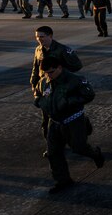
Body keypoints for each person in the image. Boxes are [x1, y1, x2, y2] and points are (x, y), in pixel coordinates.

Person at [33, 56, 104, 193]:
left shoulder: (74, 80)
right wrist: (39, 101)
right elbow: (37, 92)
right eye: (46, 73)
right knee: (53, 153)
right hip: (54, 122)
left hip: (73, 120)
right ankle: (63, 180)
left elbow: (89, 95)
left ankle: (95, 154)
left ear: (59, 67)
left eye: (51, 72)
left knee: (79, 148)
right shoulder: (44, 81)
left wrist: (69, 101)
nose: (48, 75)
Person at [31, 26, 83, 158]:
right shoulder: (38, 50)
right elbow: (36, 68)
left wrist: (62, 73)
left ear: (50, 36)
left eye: (42, 36)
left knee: (64, 119)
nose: (39, 39)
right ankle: (52, 147)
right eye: (37, 37)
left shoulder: (62, 50)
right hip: (46, 89)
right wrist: (34, 83)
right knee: (46, 120)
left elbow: (77, 65)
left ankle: (76, 141)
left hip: (61, 90)